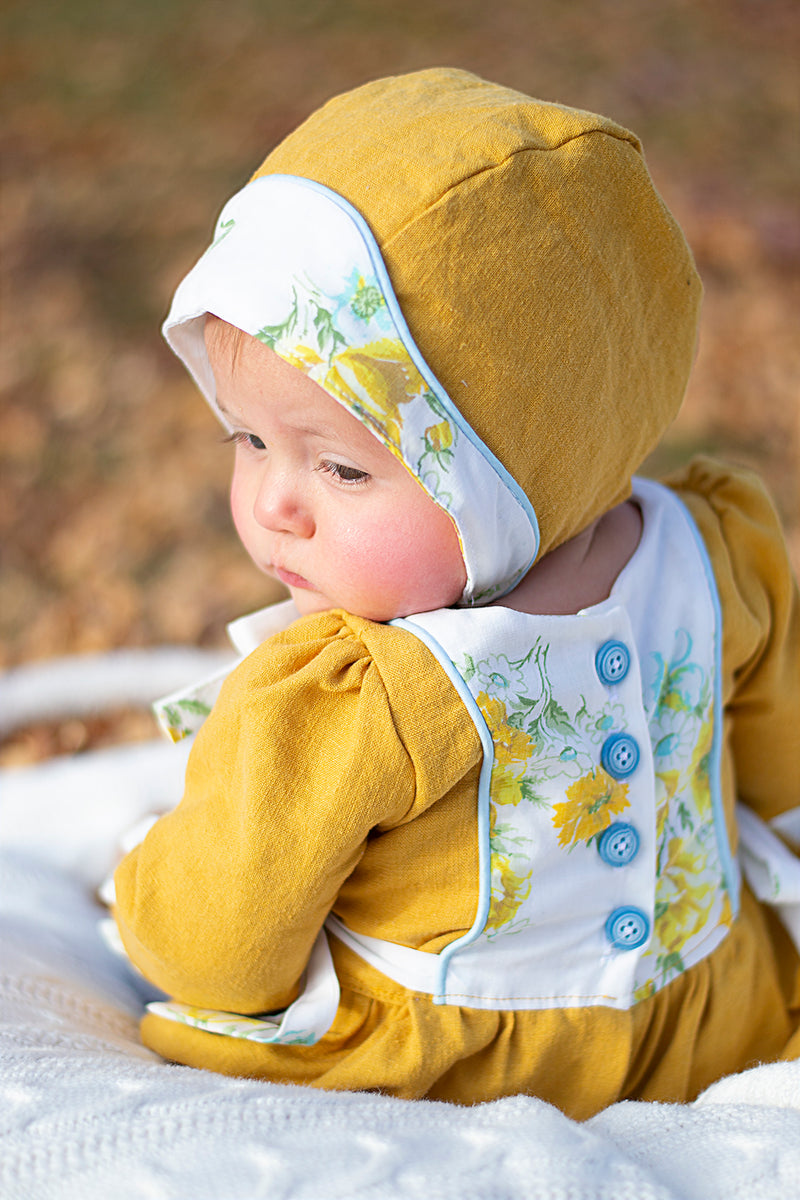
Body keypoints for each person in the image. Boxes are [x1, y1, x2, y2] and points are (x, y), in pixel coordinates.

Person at [112, 68, 800, 1118]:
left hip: (450, 1080)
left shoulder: (366, 701)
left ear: (520, 464)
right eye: (247, 440)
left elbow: (213, 944)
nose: (275, 505)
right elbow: (778, 769)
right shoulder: (710, 555)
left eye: (342, 468)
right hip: (714, 1008)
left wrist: (139, 899)